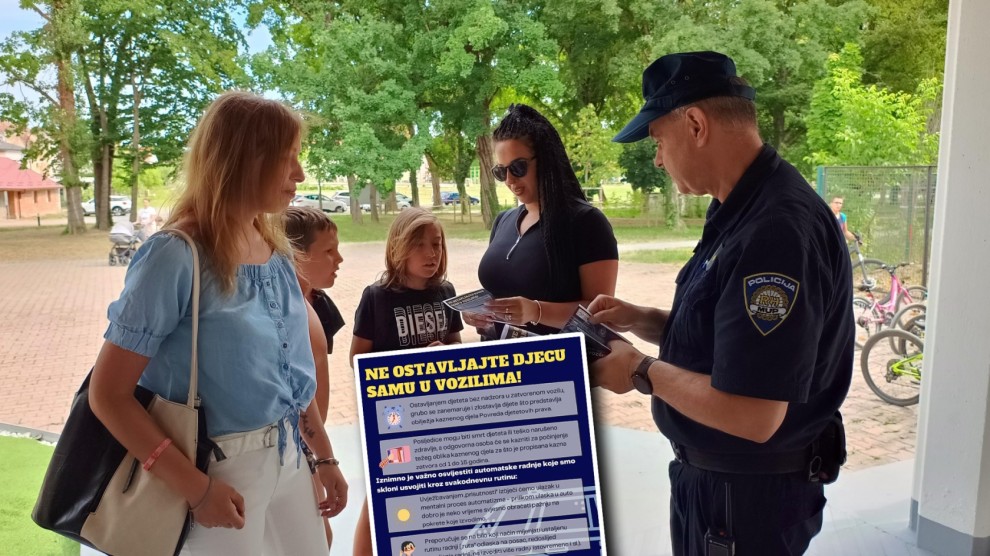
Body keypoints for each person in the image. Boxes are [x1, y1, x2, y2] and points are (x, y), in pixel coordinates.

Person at [589, 51, 854, 555]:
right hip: (722, 490)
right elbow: (732, 339)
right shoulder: (741, 205)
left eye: (658, 141)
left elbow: (754, 415)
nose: (658, 159)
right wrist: (644, 319)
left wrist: (641, 371)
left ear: (695, 124)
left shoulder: (775, 229)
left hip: (745, 502)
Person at [88, 91, 347, 554]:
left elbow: (290, 377)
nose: (299, 174)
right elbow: (108, 394)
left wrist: (323, 456)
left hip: (290, 458)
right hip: (215, 471)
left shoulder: (273, 249)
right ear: (244, 158)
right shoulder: (175, 256)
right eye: (287, 157)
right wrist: (197, 489)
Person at [349, 207, 464, 556]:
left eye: (436, 244)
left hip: (438, 413)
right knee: (383, 495)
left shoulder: (446, 292)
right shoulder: (376, 296)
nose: (431, 253)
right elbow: (357, 360)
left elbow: (456, 349)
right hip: (394, 417)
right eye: (419, 245)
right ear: (398, 246)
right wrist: (410, 365)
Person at [465, 103, 618, 338]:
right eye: (501, 172)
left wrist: (536, 311)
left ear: (546, 160)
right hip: (499, 358)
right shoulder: (503, 221)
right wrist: (479, 315)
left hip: (558, 358)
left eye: (518, 167)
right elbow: (499, 296)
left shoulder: (587, 222)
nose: (509, 180)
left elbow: (601, 314)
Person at [284, 205, 346, 549]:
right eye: (328, 251)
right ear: (297, 255)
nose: (339, 259)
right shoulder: (288, 309)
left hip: (304, 446)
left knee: (321, 537)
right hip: (296, 447)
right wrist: (323, 457)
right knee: (317, 540)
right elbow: (296, 393)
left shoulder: (310, 302)